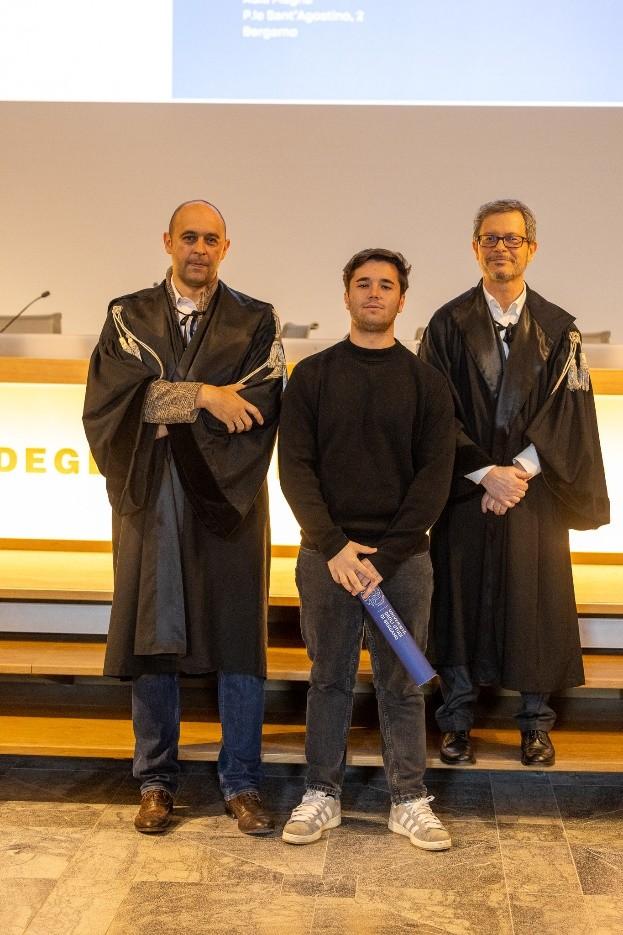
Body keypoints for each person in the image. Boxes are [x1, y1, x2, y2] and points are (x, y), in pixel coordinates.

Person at [83, 199, 285, 834]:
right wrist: (204, 396)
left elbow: (257, 405)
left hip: (230, 497)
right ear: (167, 241)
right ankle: (155, 781)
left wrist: (170, 407)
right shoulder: (128, 315)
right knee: (155, 634)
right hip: (151, 493)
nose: (200, 248)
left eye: (211, 239)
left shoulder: (257, 319)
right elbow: (116, 402)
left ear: (226, 247)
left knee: (238, 639)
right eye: (189, 237)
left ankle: (242, 782)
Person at [419, 198, 609, 767]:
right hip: (466, 487)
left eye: (512, 239)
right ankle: (455, 721)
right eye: (490, 239)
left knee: (535, 602)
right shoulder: (446, 324)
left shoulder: (560, 329)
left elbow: (569, 416)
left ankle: (534, 724)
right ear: (474, 247)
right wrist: (486, 473)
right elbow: (433, 414)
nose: (500, 248)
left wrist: (518, 472)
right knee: (457, 601)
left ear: (532, 248)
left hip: (532, 491)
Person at [278, 248, 455, 850]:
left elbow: (433, 479)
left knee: (401, 683)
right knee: (328, 678)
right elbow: (295, 469)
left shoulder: (427, 382)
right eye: (363, 283)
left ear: (402, 299)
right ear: (346, 295)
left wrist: (384, 559)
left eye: (385, 285)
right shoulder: (312, 376)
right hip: (325, 559)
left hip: (402, 563)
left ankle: (408, 799)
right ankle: (321, 793)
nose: (374, 293)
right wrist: (334, 547)